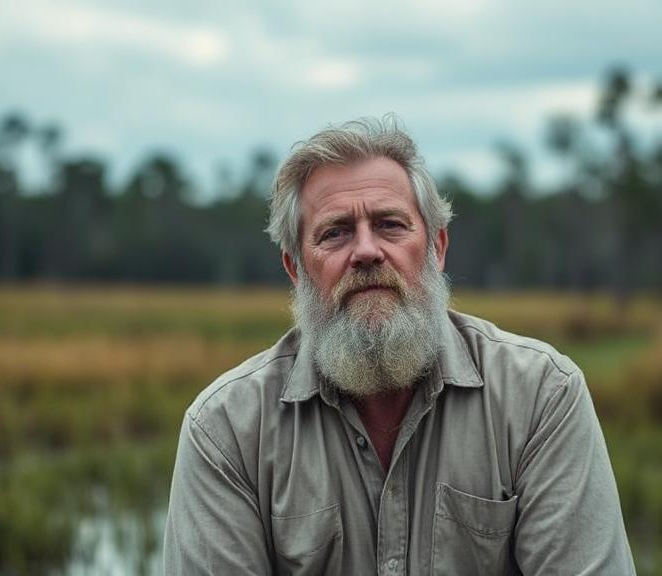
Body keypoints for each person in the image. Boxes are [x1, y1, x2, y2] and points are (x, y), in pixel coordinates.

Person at [163, 115, 635, 575]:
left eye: (390, 224)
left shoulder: (541, 397)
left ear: (437, 248)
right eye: (336, 232)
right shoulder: (225, 431)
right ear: (296, 269)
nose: (366, 251)